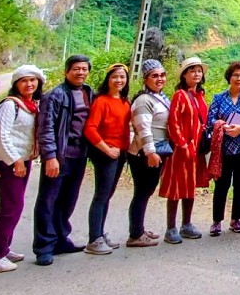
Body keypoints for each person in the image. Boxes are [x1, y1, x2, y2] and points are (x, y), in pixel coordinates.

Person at [0, 64, 43, 273]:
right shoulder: (10, 105)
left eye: (33, 80)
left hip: (22, 161)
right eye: (24, 80)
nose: (29, 84)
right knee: (11, 207)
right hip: (8, 162)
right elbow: (2, 135)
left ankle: (4, 248)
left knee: (14, 207)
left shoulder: (31, 104)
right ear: (16, 83)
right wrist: (15, 160)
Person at [33, 55, 94, 265]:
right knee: (48, 200)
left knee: (69, 199)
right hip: (60, 155)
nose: (80, 72)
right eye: (76, 68)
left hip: (80, 155)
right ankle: (44, 246)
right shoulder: (55, 95)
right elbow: (46, 127)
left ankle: (60, 238)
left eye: (84, 69)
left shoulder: (88, 93)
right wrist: (50, 156)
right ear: (66, 71)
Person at [83, 63, 132, 255]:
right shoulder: (101, 101)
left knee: (108, 195)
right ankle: (94, 239)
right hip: (105, 154)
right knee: (101, 195)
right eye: (115, 77)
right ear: (108, 79)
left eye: (122, 77)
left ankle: (100, 235)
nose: (119, 80)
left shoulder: (124, 101)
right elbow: (90, 129)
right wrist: (106, 148)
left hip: (120, 153)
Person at [206, 61, 240, 235]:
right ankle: (216, 221)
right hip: (224, 149)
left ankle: (236, 219)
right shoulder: (219, 98)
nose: (239, 78)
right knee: (222, 185)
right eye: (236, 75)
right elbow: (210, 120)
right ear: (229, 76)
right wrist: (221, 125)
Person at [160, 57, 207, 244]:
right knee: (176, 188)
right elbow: (174, 122)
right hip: (181, 150)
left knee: (190, 186)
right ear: (184, 75)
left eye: (199, 71)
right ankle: (170, 227)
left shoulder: (200, 95)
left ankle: (186, 223)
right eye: (192, 71)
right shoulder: (180, 95)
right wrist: (182, 144)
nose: (196, 74)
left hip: (196, 150)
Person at [125, 60, 170, 247]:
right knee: (142, 192)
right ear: (146, 79)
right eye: (154, 76)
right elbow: (143, 129)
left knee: (146, 191)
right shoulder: (144, 100)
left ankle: (139, 228)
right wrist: (150, 152)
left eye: (162, 75)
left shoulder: (160, 97)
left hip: (157, 151)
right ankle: (135, 235)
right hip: (145, 153)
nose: (159, 79)